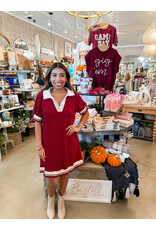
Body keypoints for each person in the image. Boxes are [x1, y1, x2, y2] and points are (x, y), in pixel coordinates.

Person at [33, 62, 89, 219]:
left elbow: (85, 113)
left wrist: (78, 127)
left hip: (67, 143)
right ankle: (51, 201)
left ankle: (61, 199)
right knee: (52, 178)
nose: (58, 79)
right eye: (55, 75)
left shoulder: (73, 96)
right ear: (50, 78)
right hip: (49, 145)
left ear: (66, 78)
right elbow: (37, 122)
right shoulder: (41, 97)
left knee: (64, 174)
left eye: (62, 75)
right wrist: (39, 146)